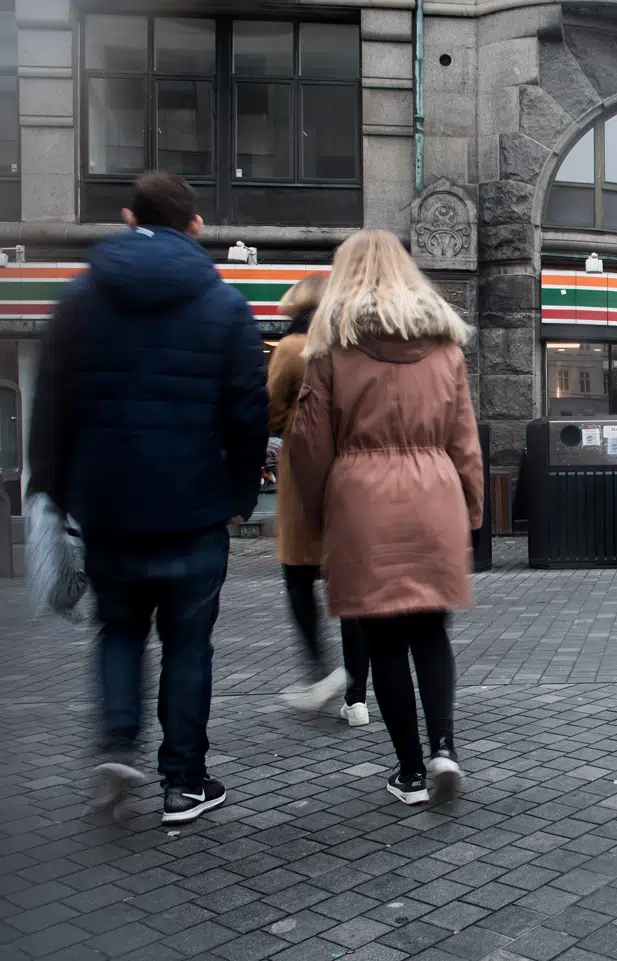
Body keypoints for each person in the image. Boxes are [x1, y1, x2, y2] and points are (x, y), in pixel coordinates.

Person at [26, 172, 268, 824]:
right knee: (190, 645)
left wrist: (50, 488)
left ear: (131, 219)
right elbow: (249, 411)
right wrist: (241, 492)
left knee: (119, 629)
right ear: (195, 227)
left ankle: (115, 745)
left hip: (108, 509)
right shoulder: (225, 306)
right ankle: (183, 782)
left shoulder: (80, 298)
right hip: (194, 510)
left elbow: (52, 405)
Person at [288, 229, 485, 807]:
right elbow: (465, 441)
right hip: (434, 497)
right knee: (431, 629)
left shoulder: (330, 352)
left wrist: (322, 508)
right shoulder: (446, 349)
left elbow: (308, 446)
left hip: (362, 501)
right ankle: (445, 746)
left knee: (384, 640)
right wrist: (470, 510)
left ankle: (410, 772)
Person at [267, 275, 370, 723]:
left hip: (301, 477)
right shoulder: (352, 349)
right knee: (350, 592)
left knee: (298, 579)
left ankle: (321, 670)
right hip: (348, 474)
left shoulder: (290, 350)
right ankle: (358, 698)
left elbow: (269, 412)